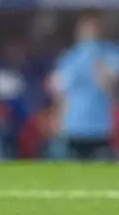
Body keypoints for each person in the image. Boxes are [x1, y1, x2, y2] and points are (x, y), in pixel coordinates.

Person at [49, 15, 119, 160]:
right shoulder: (71, 56)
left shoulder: (111, 53)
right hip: (73, 124)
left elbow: (109, 84)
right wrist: (58, 117)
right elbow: (59, 88)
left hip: (100, 126)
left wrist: (96, 59)